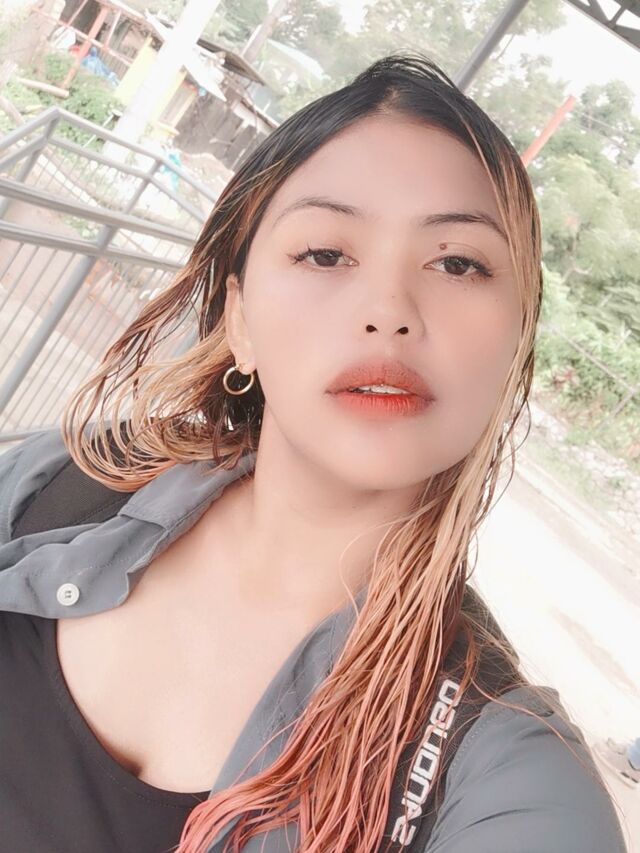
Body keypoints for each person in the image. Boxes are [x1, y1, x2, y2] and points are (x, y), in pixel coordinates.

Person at [0, 53, 628, 853]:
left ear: (515, 348)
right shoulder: (61, 482)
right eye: (326, 253)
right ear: (240, 319)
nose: (389, 310)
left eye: (458, 262)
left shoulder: (501, 770)